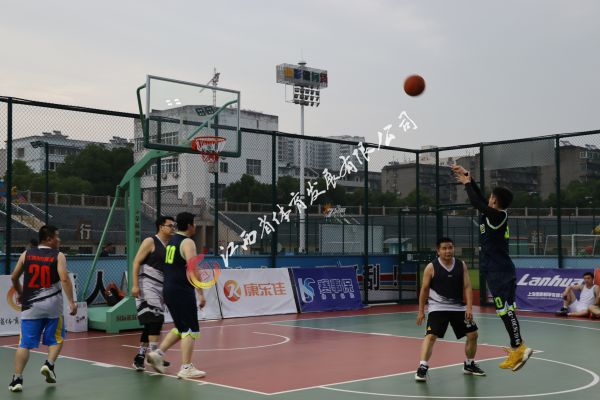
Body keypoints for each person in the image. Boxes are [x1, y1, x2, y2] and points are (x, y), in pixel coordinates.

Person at [452, 164, 532, 372]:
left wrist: (467, 184)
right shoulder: (492, 214)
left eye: (491, 197)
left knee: (505, 309)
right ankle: (517, 347)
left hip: (499, 270)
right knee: (506, 309)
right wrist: (469, 177)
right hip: (497, 268)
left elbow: (476, 202)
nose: (488, 199)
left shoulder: (498, 216)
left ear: (494, 201)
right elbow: (479, 200)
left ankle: (519, 347)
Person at [8, 225, 77, 392]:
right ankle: (49, 364)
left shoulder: (26, 254)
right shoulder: (58, 255)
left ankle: (17, 380)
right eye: (57, 236)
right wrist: (72, 302)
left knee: (24, 344)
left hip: (30, 306)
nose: (59, 240)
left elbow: (14, 277)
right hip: (52, 306)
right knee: (57, 338)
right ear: (48, 239)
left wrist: (21, 293)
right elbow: (64, 279)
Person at [415, 237, 485, 382]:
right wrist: (421, 311)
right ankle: (422, 367)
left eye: (450, 248)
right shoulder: (431, 267)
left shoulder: (461, 265)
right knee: (431, 336)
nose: (448, 251)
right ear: (438, 251)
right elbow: (424, 290)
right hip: (437, 307)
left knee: (473, 334)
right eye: (444, 248)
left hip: (458, 307)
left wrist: (469, 308)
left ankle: (469, 364)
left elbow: (467, 286)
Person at [147, 212, 206, 379]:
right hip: (181, 290)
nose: (195, 226)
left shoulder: (171, 242)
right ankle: (186, 367)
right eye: (194, 223)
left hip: (169, 289)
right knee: (190, 329)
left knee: (181, 327)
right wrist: (201, 293)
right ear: (189, 225)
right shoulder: (188, 242)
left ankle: (157, 354)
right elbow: (193, 268)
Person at [130, 215, 176, 370]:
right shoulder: (150, 241)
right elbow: (136, 262)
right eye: (170, 225)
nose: (173, 228)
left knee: (151, 322)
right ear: (161, 227)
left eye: (174, 226)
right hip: (147, 285)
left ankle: (141, 356)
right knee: (156, 319)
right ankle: (155, 356)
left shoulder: (170, 245)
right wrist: (135, 285)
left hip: (161, 287)